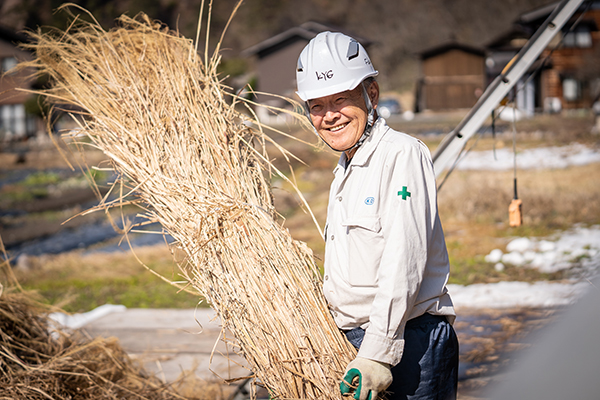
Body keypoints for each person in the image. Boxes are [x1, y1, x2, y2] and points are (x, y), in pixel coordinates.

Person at [295, 31, 459, 400]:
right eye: (317, 106)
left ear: (371, 95)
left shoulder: (401, 155)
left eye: (341, 99)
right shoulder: (348, 167)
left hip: (407, 342)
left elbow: (405, 259)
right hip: (364, 340)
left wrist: (377, 354)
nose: (329, 116)